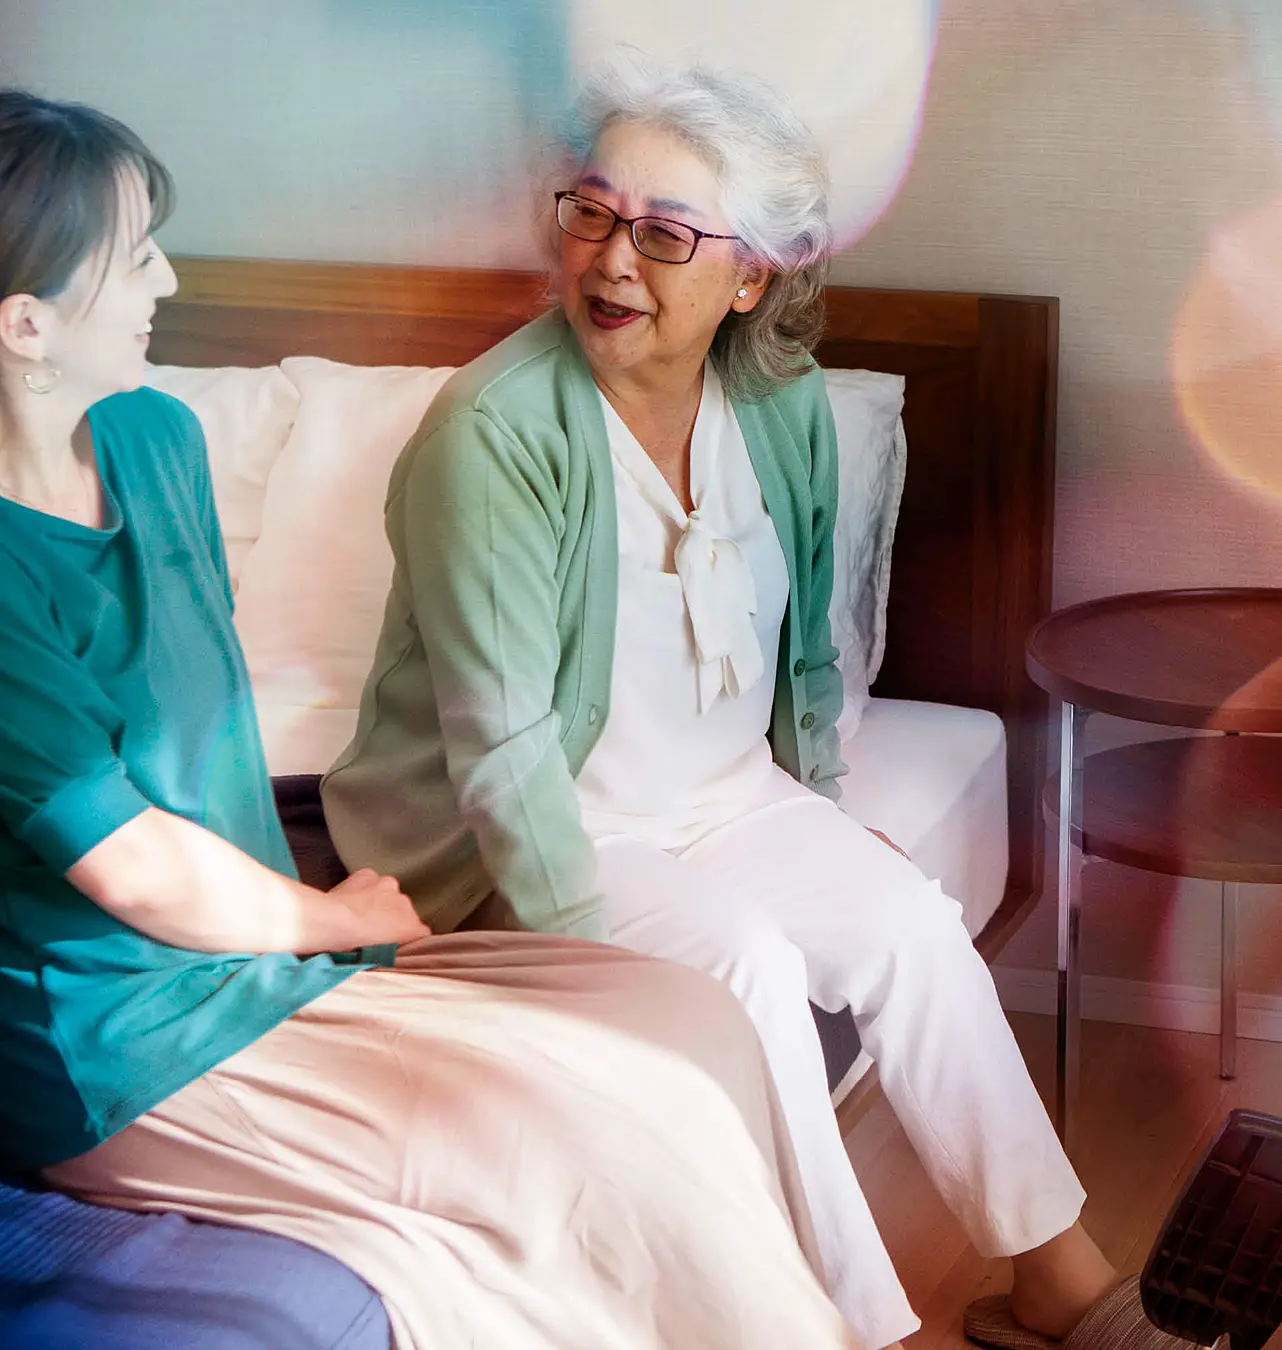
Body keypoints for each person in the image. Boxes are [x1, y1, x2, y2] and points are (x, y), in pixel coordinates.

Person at [324, 54, 1180, 1350]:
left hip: (728, 796)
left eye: (667, 234)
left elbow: (807, 667)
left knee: (910, 923)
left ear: (750, 275)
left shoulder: (779, 406)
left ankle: (1061, 1281)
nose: (614, 261)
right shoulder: (492, 434)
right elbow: (499, 753)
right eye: (595, 213)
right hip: (550, 825)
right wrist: (573, 964)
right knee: (753, 972)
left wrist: (826, 822)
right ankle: (843, 1325)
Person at [0, 89, 855, 1350]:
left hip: (259, 958)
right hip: (118, 1045)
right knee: (609, 1126)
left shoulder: (154, 439)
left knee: (699, 1023)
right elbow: (128, 856)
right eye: (136, 256)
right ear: (27, 325)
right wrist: (326, 914)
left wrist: (302, 929)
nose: (169, 278)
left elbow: (191, 756)